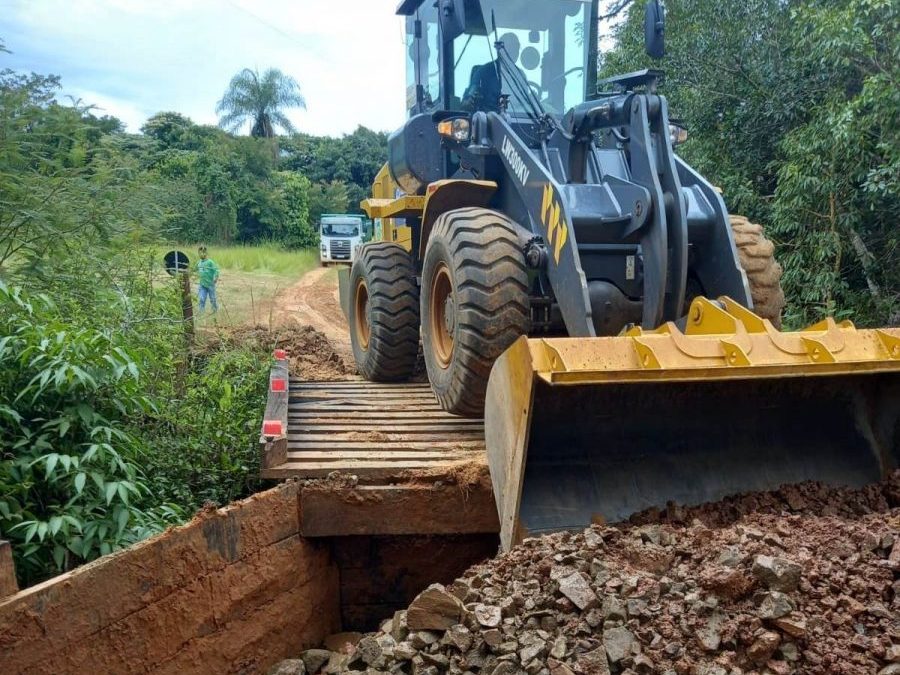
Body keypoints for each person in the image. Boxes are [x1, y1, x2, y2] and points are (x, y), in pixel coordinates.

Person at [462, 32, 521, 112]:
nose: (515, 51)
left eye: (516, 48)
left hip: (519, 119)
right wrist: (470, 101)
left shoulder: (520, 76)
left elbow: (524, 104)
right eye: (511, 47)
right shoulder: (483, 72)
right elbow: (466, 102)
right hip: (488, 121)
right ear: (499, 49)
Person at [196, 245, 220, 314]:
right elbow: (193, 269)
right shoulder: (199, 262)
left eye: (203, 252)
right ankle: (201, 313)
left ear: (206, 253)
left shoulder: (210, 262)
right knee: (201, 299)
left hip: (210, 284)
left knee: (212, 299)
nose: (201, 254)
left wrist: (216, 278)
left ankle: (215, 311)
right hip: (202, 284)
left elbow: (216, 270)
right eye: (200, 253)